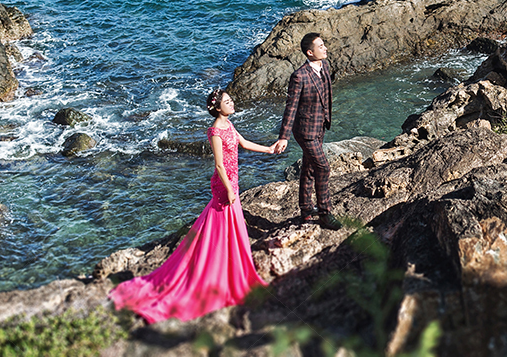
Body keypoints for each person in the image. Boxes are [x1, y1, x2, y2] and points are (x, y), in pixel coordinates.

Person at [110, 89, 285, 323]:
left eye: (231, 100)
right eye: (227, 101)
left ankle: (228, 266)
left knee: (228, 226)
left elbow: (243, 143)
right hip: (224, 185)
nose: (232, 103)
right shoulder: (215, 131)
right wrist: (229, 189)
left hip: (233, 181)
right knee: (221, 225)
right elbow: (219, 165)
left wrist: (269, 149)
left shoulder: (229, 125)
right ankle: (216, 270)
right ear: (217, 108)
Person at [272, 32, 342, 230]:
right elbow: (291, 107)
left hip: (320, 126)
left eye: (324, 44)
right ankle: (325, 213)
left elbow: (326, 95)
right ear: (310, 52)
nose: (325, 48)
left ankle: (305, 208)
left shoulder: (324, 66)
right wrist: (283, 137)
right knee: (323, 168)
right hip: (305, 131)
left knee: (309, 168)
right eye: (320, 46)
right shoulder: (299, 76)